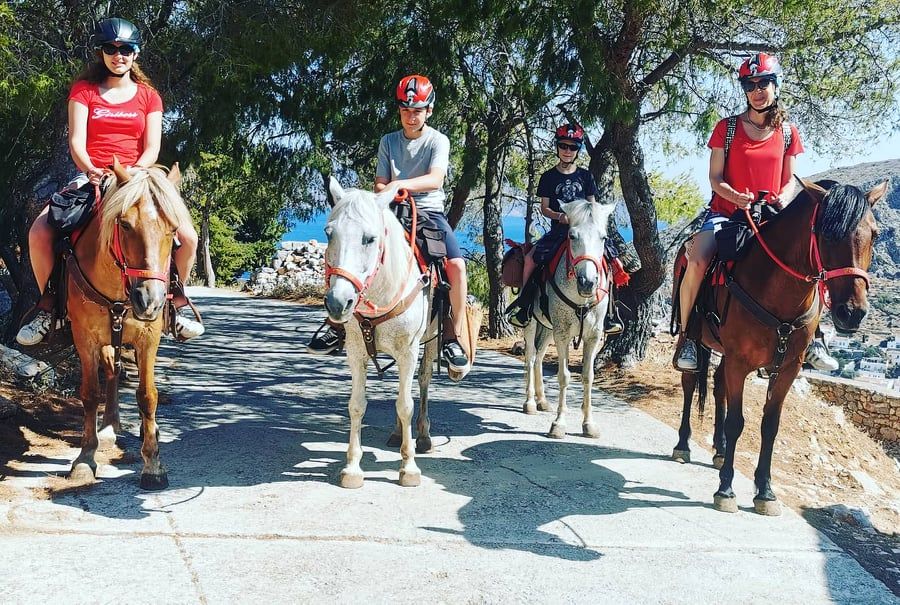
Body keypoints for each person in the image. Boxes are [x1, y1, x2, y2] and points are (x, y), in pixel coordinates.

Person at [16, 17, 204, 346]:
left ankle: (175, 305)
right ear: (101, 52)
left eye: (126, 49)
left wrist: (132, 174)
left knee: (186, 235)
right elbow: (76, 142)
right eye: (111, 48)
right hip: (92, 174)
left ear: (136, 53)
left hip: (139, 176)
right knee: (40, 231)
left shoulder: (148, 96)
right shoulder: (83, 91)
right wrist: (90, 169)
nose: (119, 55)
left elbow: (152, 147)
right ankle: (48, 307)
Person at [674, 52, 837, 372]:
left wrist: (781, 198)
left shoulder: (788, 132)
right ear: (745, 90)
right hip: (725, 213)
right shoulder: (727, 128)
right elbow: (715, 178)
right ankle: (688, 336)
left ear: (775, 86)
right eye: (750, 84)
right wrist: (734, 196)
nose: (757, 89)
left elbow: (790, 179)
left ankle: (815, 336)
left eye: (764, 83)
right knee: (697, 259)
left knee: (813, 254)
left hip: (772, 214)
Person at [308, 75, 470, 374]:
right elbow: (380, 182)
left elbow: (435, 179)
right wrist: (390, 190)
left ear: (429, 110)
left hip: (428, 213)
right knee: (351, 247)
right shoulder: (388, 141)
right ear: (399, 110)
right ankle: (335, 324)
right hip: (390, 209)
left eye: (418, 110)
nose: (412, 115)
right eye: (406, 109)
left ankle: (452, 336)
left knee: (456, 266)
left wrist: (399, 184)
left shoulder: (438, 141)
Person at [505, 123, 624, 334]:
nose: (567, 150)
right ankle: (523, 305)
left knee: (612, 261)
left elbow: (592, 206)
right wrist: (560, 216)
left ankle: (610, 314)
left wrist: (586, 221)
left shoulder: (586, 177)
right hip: (560, 231)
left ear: (578, 150)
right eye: (563, 145)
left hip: (583, 232)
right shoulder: (548, 177)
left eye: (573, 147)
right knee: (532, 259)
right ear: (557, 147)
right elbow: (544, 208)